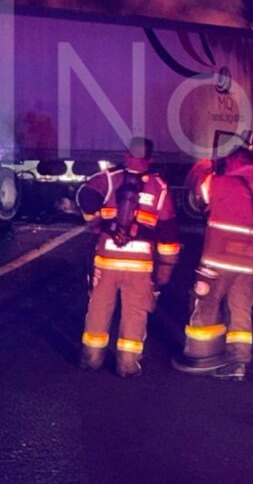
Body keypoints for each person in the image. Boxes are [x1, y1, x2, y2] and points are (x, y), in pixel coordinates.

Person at [77, 137, 177, 377]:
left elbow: (85, 198)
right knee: (135, 313)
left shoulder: (109, 179)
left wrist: (99, 221)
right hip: (140, 265)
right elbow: (168, 231)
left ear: (126, 155)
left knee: (99, 309)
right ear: (150, 159)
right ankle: (128, 366)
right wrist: (166, 267)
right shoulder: (159, 187)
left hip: (107, 259)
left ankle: (91, 359)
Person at [177, 145, 253, 380]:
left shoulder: (221, 183)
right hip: (248, 264)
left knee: (206, 304)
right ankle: (238, 363)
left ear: (235, 163)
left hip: (217, 260)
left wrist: (205, 164)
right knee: (241, 311)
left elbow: (197, 188)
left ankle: (201, 356)